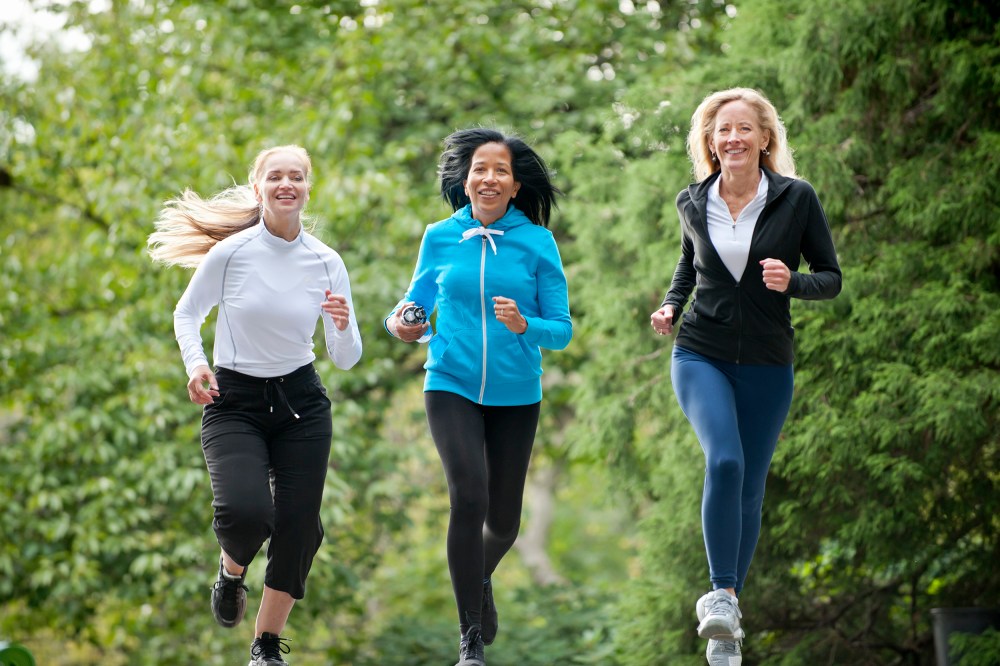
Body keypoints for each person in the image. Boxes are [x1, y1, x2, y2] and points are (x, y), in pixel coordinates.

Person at [148, 145, 362, 666]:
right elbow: (186, 313)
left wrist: (340, 324)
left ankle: (266, 647)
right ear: (257, 186)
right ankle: (231, 572)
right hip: (234, 401)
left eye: (297, 177)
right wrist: (196, 364)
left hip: (301, 404)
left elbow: (346, 358)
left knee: (300, 527)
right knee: (246, 514)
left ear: (308, 187)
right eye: (275, 176)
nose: (286, 184)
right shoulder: (232, 253)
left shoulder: (326, 261)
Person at [649, 88, 842, 666]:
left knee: (751, 486)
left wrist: (793, 282)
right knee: (726, 462)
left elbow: (830, 276)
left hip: (767, 360)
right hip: (700, 352)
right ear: (710, 142)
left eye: (743, 128)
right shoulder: (692, 200)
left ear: (764, 138)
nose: (733, 138)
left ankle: (727, 617)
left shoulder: (796, 198)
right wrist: (670, 305)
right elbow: (689, 263)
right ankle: (719, 591)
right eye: (722, 130)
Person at [385, 128, 572, 666]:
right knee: (469, 498)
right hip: (451, 382)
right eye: (479, 170)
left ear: (515, 186)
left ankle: (478, 577)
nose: (489, 178)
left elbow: (561, 330)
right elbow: (411, 306)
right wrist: (404, 324)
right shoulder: (440, 236)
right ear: (465, 181)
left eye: (500, 171)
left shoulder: (538, 243)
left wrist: (524, 324)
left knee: (505, 523)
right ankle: (469, 639)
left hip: (517, 393)